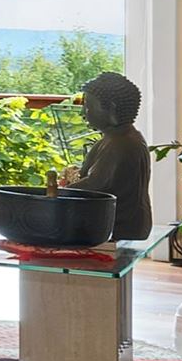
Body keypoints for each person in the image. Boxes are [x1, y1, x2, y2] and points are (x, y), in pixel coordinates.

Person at [69, 71, 153, 240]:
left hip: (118, 224)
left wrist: (60, 192)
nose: (83, 113)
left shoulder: (120, 144)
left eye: (88, 107)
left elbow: (96, 184)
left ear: (111, 109)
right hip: (121, 220)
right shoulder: (121, 137)